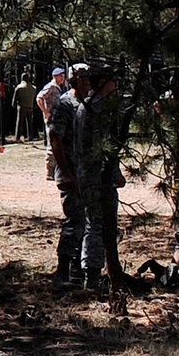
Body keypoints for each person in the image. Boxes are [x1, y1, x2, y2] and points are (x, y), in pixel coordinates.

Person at [76, 61, 126, 292]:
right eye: (113, 81)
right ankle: (92, 278)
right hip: (96, 177)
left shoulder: (92, 106)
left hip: (93, 174)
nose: (116, 85)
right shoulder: (96, 109)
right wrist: (113, 173)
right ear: (104, 83)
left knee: (99, 225)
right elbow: (100, 149)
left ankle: (103, 274)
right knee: (96, 226)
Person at [48, 63, 90, 291]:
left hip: (85, 173)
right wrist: (65, 171)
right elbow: (56, 138)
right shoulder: (65, 104)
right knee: (75, 221)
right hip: (71, 173)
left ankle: (77, 271)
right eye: (85, 78)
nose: (89, 82)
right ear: (76, 81)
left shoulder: (88, 103)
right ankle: (62, 271)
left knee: (86, 222)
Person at [36, 67, 67, 180]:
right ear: (55, 77)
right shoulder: (50, 87)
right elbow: (39, 98)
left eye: (63, 76)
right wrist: (46, 113)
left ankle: (55, 170)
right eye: (61, 76)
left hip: (57, 120)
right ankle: (49, 172)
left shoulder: (57, 88)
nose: (63, 78)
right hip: (51, 120)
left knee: (57, 144)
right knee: (51, 145)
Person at [12, 74, 36, 142]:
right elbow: (34, 99)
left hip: (22, 106)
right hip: (30, 106)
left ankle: (17, 137)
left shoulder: (19, 87)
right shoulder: (33, 88)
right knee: (29, 122)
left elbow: (15, 98)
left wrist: (14, 104)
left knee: (20, 122)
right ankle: (30, 136)